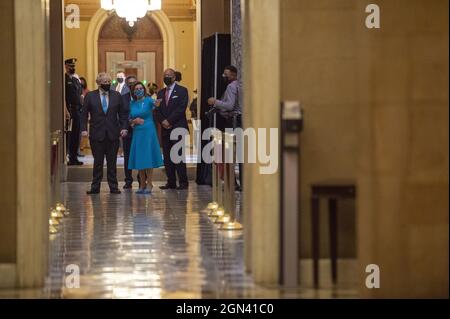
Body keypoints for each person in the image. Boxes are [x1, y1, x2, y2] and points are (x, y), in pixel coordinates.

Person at [81, 72, 129, 195]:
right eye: (105, 82)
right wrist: (83, 129)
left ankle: (113, 186)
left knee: (112, 162)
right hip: (97, 134)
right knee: (98, 162)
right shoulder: (90, 96)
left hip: (113, 133)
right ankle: (95, 187)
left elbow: (123, 113)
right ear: (98, 83)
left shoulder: (116, 95)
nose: (107, 84)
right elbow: (84, 114)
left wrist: (124, 127)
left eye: (109, 82)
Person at [208, 65, 243, 191]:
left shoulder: (231, 86)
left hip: (234, 122)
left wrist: (215, 102)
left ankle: (232, 182)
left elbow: (230, 105)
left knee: (229, 154)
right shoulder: (239, 85)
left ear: (233, 75)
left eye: (226, 74)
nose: (224, 76)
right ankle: (239, 182)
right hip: (238, 121)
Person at [155, 68, 190, 190]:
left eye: (169, 75)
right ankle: (171, 182)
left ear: (174, 77)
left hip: (178, 128)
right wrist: (163, 121)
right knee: (168, 157)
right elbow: (157, 110)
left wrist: (169, 121)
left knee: (179, 157)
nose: (166, 77)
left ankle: (183, 182)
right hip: (165, 129)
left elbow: (181, 109)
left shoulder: (182, 91)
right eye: (165, 75)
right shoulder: (160, 93)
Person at [128, 82, 164, 194]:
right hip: (137, 132)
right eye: (136, 88)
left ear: (144, 90)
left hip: (148, 131)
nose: (139, 90)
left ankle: (149, 183)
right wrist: (134, 121)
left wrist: (158, 102)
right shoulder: (131, 103)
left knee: (147, 157)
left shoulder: (148, 100)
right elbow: (128, 119)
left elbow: (157, 105)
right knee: (140, 157)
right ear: (133, 91)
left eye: (140, 88)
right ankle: (142, 184)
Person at [65, 58, 84, 166]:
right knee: (70, 135)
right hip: (70, 109)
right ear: (66, 66)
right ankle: (68, 156)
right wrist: (65, 111)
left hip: (78, 110)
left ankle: (74, 157)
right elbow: (63, 96)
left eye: (73, 66)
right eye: (70, 66)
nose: (72, 68)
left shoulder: (76, 80)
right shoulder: (64, 79)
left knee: (77, 134)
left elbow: (80, 95)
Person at [122, 75, 138, 189]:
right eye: (130, 84)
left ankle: (142, 179)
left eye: (134, 83)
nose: (132, 85)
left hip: (141, 131)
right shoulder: (123, 98)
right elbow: (121, 115)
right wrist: (128, 123)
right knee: (128, 157)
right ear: (127, 85)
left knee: (142, 156)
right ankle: (128, 180)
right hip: (128, 131)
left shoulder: (144, 96)